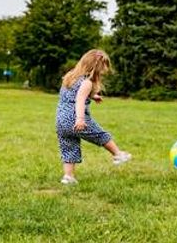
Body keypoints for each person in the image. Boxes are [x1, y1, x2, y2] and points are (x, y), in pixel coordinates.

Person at [56, 49, 131, 185]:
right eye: (104, 66)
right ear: (95, 67)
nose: (105, 70)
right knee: (100, 135)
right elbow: (79, 100)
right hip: (75, 119)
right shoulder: (87, 82)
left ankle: (68, 177)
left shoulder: (70, 76)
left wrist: (93, 96)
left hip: (61, 120)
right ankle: (118, 154)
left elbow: (74, 93)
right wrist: (80, 119)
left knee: (69, 147)